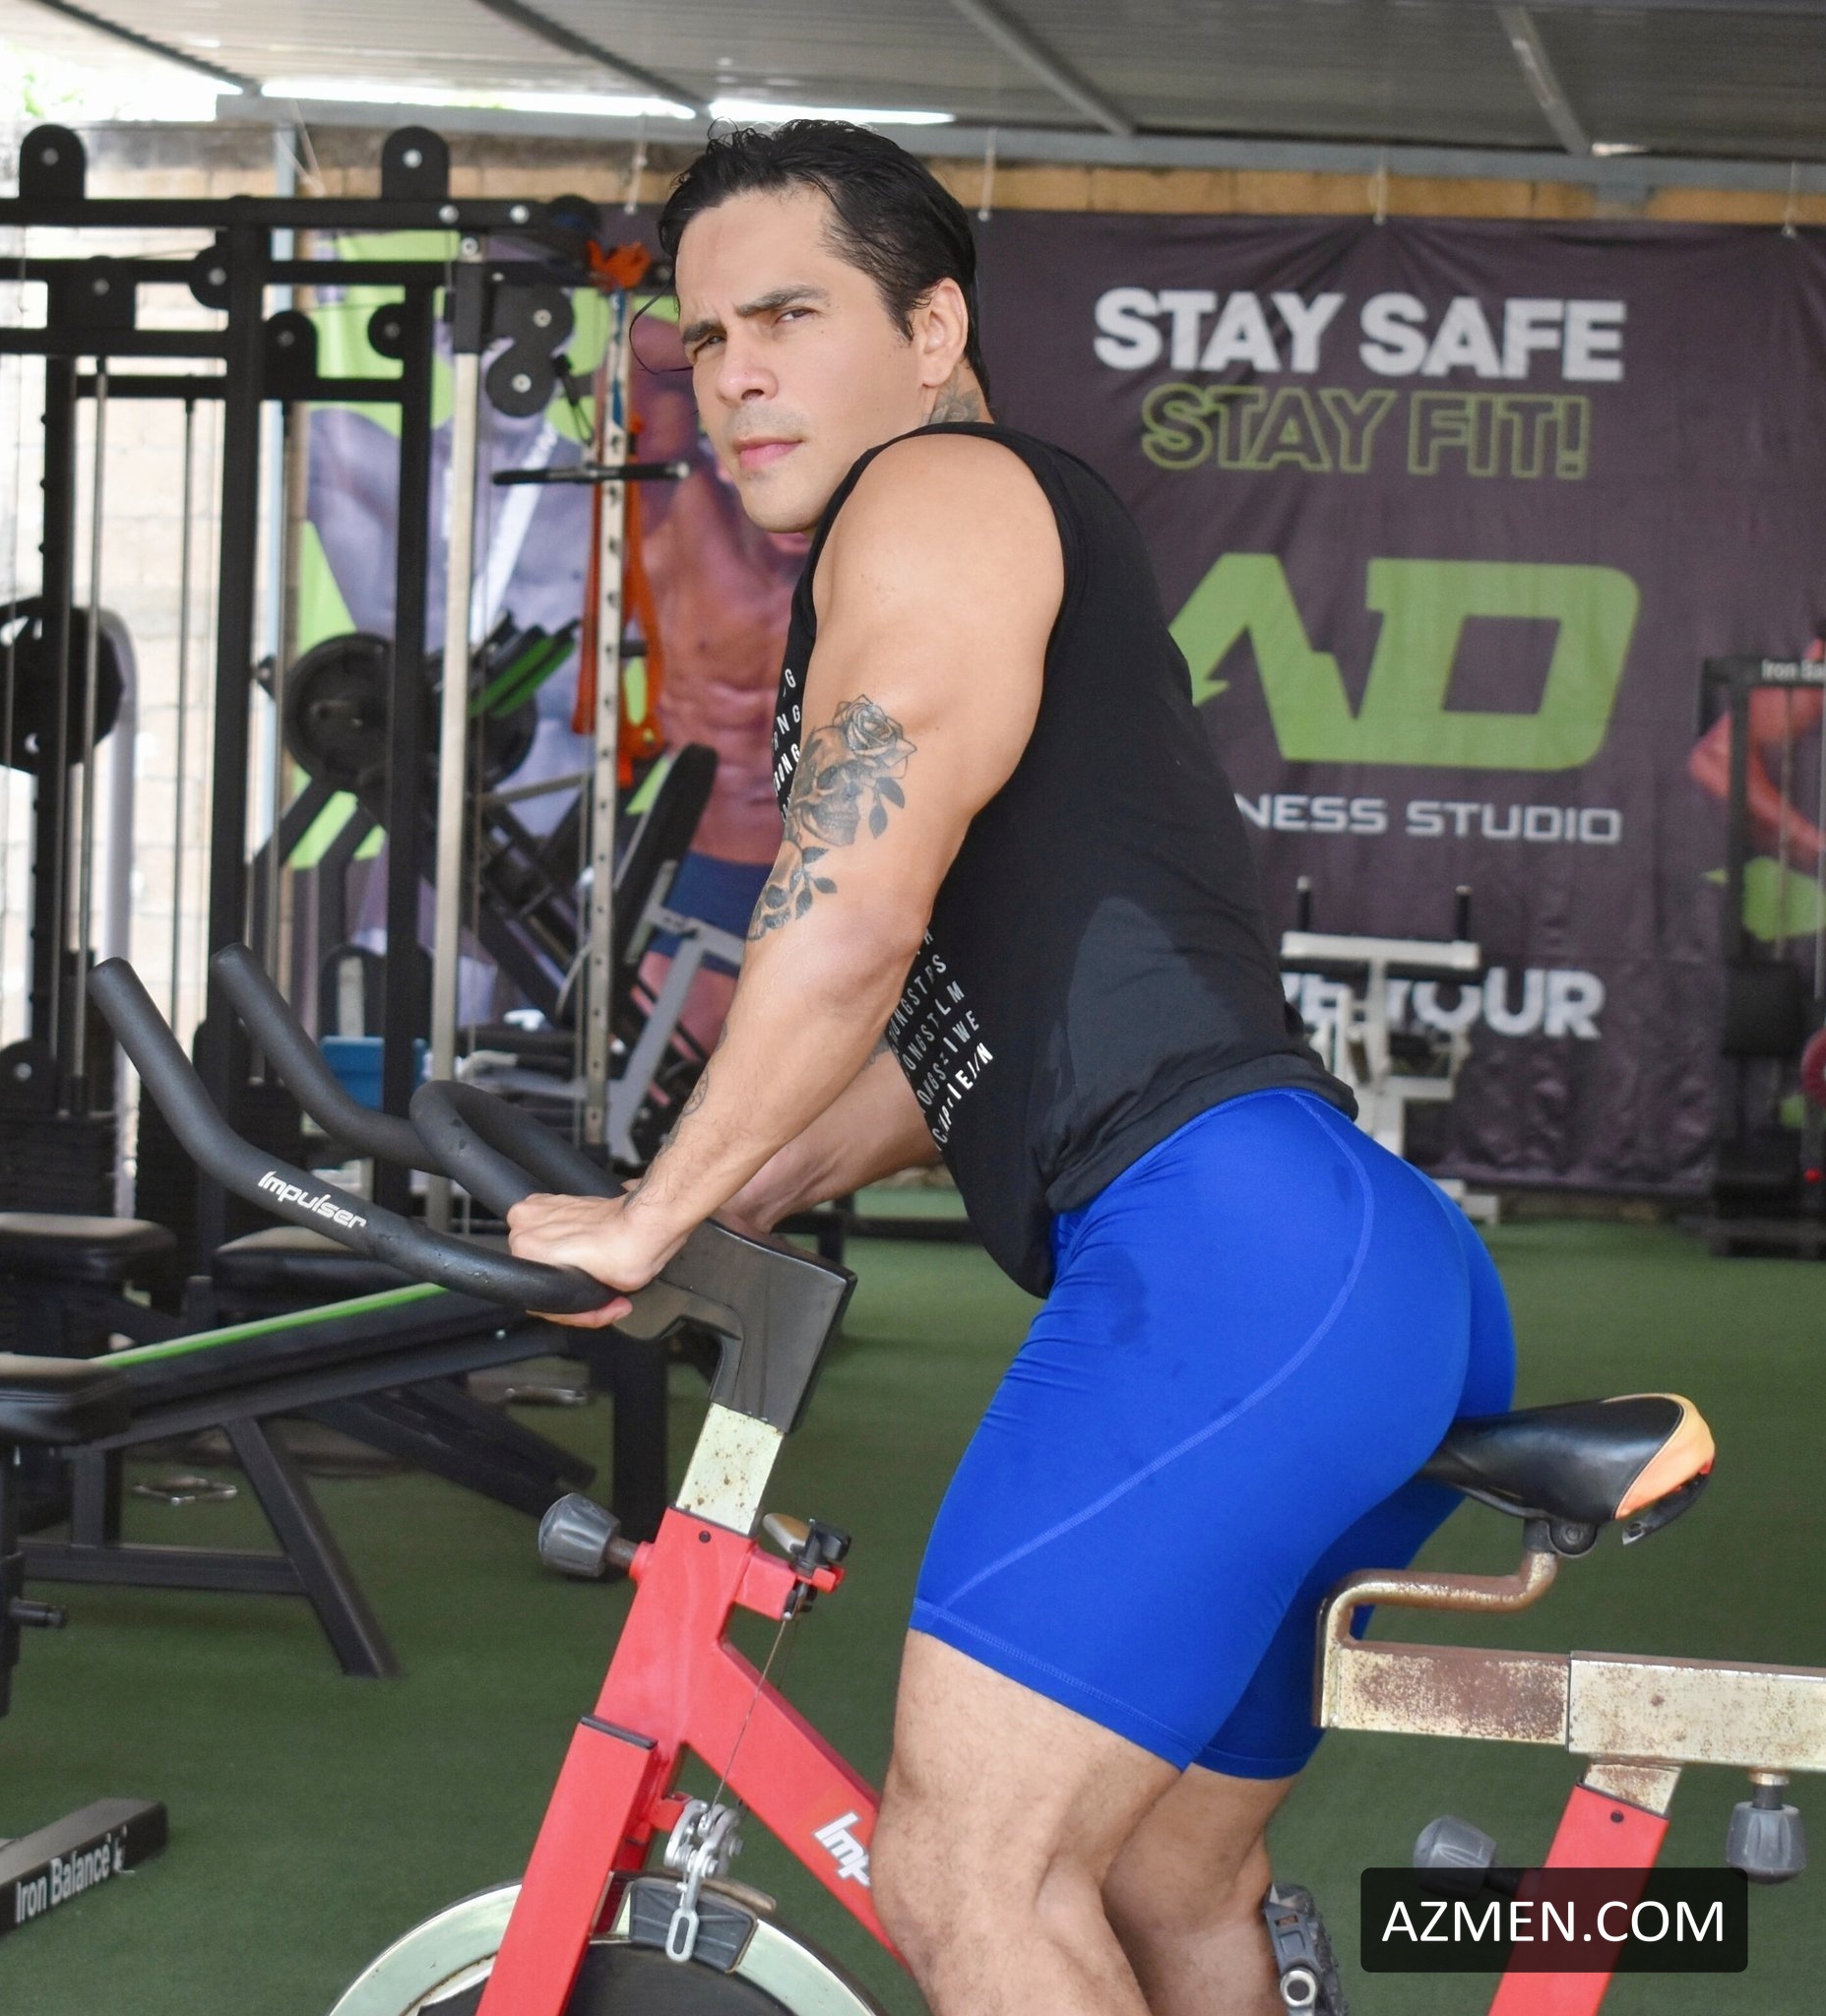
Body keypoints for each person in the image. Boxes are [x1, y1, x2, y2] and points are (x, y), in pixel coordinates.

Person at [506, 121, 1516, 2016]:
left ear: (933, 327)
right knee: (1154, 1884)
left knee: (970, 1875)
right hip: (1354, 1275)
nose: (735, 375)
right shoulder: (978, 537)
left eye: (789, 316)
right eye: (705, 338)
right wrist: (746, 1185)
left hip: (1233, 1265)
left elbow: (850, 908)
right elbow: (984, 1026)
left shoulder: (938, 490)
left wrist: (653, 1211)